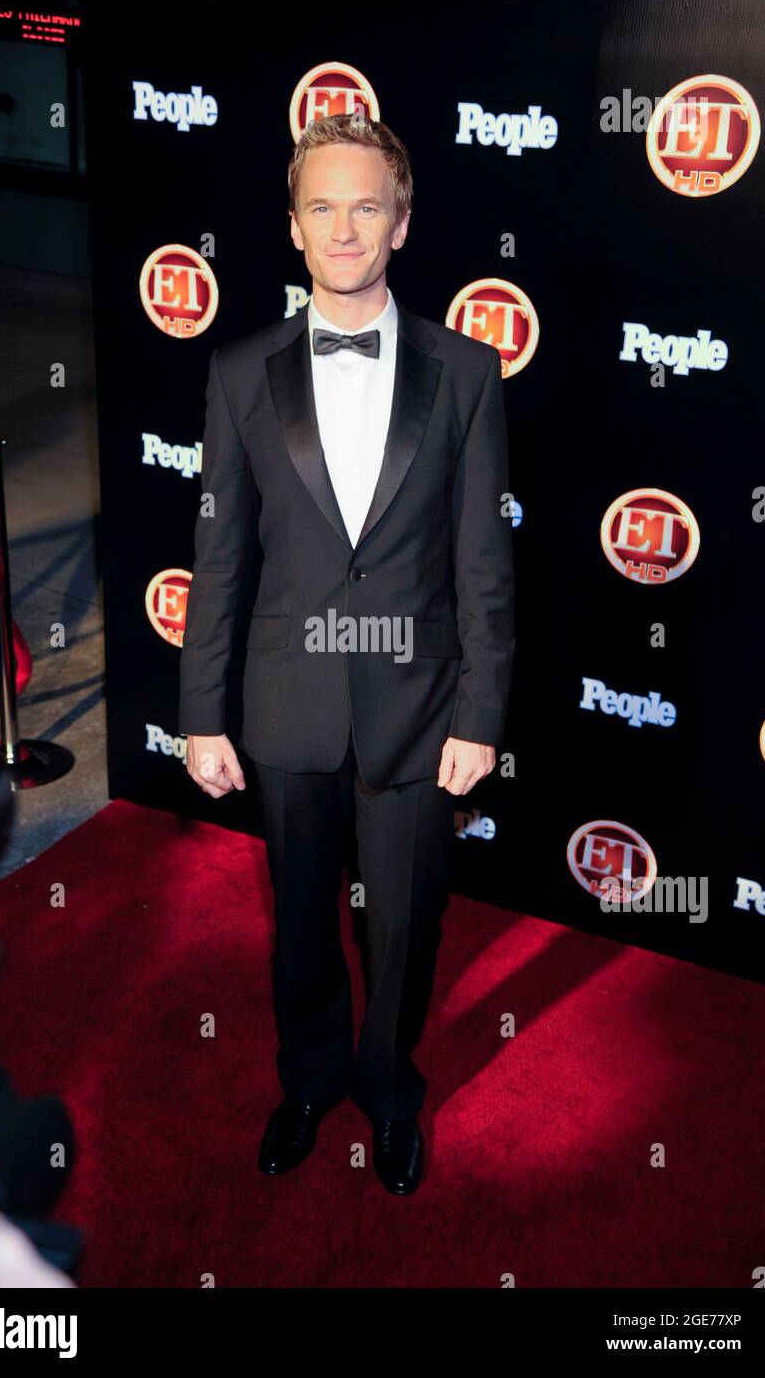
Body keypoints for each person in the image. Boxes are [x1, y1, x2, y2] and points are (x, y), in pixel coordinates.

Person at [179, 109, 514, 1195]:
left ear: (402, 223)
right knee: (301, 918)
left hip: (422, 706)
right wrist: (198, 710)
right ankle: (311, 1080)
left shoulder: (466, 370)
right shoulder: (239, 371)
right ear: (290, 224)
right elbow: (220, 555)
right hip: (286, 702)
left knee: (408, 924)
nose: (343, 227)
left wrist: (480, 714)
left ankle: (390, 1089)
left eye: (366, 205)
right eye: (320, 205)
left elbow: (481, 561)